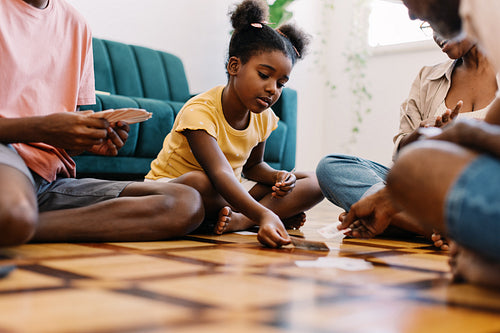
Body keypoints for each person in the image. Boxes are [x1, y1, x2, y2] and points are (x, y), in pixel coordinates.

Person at [0, 0, 205, 247]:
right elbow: (47, 127)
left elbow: (63, 135)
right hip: (6, 153)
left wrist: (85, 140)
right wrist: (43, 129)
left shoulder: (77, 24)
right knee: (11, 212)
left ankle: (20, 225)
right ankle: (14, 220)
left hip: (48, 180)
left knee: (185, 203)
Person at [339, 0, 500, 288]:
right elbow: (403, 155)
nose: (412, 15)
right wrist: (425, 136)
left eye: (408, 1)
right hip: (448, 184)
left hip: (464, 184)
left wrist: (459, 133)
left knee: (417, 166)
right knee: (336, 167)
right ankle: (444, 231)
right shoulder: (430, 75)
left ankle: (441, 230)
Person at [145, 0, 324, 248]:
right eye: (264, 75)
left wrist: (278, 177)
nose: (272, 89)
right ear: (234, 66)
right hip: (176, 189)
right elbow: (219, 173)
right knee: (202, 182)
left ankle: (240, 220)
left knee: (316, 180)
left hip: (227, 192)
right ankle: (262, 215)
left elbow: (253, 167)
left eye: (281, 83)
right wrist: (265, 212)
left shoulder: (264, 116)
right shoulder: (199, 111)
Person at [316, 31, 497, 248]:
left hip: (476, 190)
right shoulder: (428, 77)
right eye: (427, 25)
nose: (436, 35)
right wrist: (419, 134)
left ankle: (399, 221)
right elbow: (402, 156)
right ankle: (434, 227)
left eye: (439, 21)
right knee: (331, 167)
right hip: (420, 189)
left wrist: (456, 140)